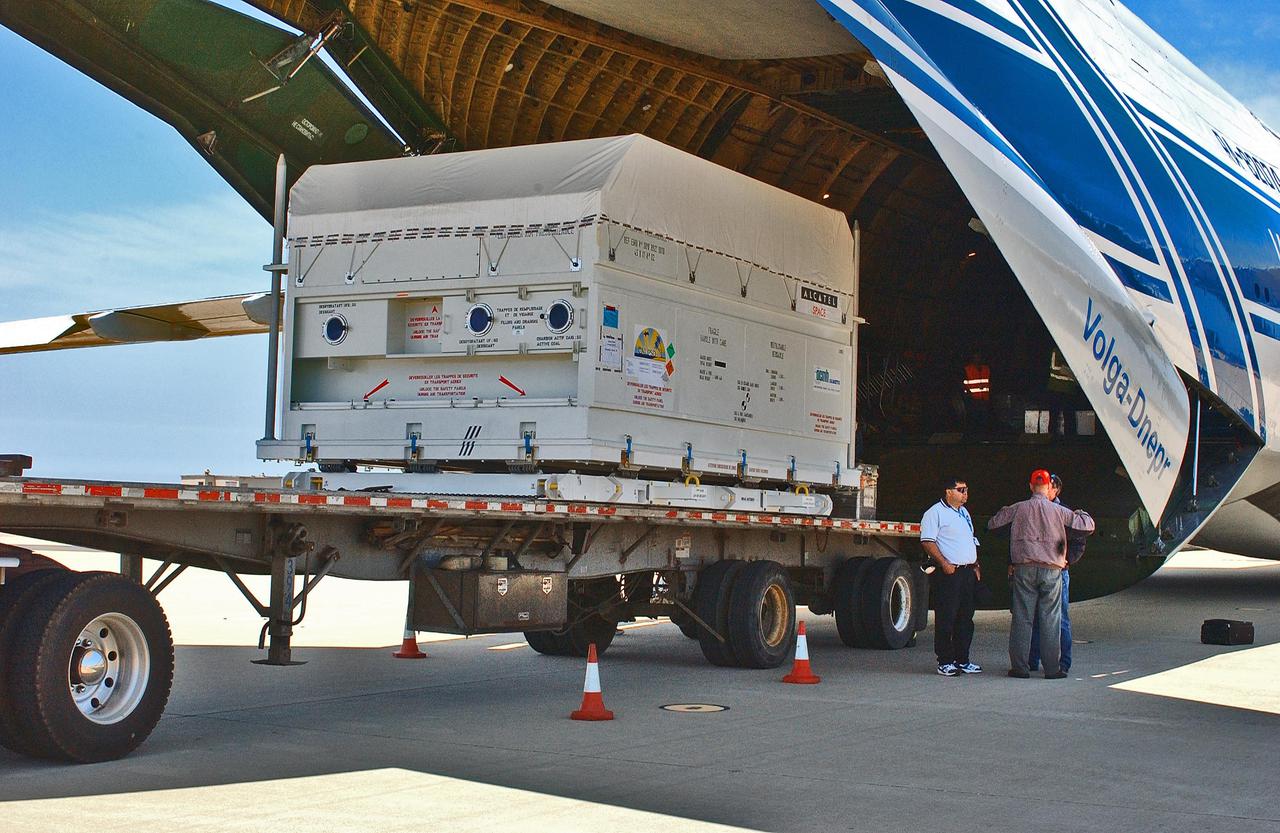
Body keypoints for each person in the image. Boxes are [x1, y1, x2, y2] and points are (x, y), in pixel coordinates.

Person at [988, 469, 1094, 679]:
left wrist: (1004, 510)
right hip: (1052, 571)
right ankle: (1052, 669)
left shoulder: (1018, 508)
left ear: (1030, 486)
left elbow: (993, 523)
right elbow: (1087, 526)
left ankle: (1020, 667)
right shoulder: (1059, 511)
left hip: (1024, 569)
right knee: (1051, 619)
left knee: (1022, 619)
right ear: (1048, 488)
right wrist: (1082, 512)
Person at [920, 477, 982, 677]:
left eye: (966, 489)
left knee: (965, 618)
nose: (965, 494)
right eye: (961, 490)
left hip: (966, 572)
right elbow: (927, 541)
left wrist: (975, 564)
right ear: (948, 491)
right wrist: (944, 563)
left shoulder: (964, 512)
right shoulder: (935, 513)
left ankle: (962, 659)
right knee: (947, 617)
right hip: (949, 572)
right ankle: (945, 661)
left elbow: (969, 539)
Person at [1029, 473, 1084, 673]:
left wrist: (1068, 559)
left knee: (1060, 619)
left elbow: (1079, 540)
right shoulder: (1032, 508)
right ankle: (1032, 660)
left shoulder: (1064, 512)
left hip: (1058, 570)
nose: (1044, 489)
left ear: (1055, 490)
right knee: (1035, 617)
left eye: (1048, 486)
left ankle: (1063, 663)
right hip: (1036, 568)